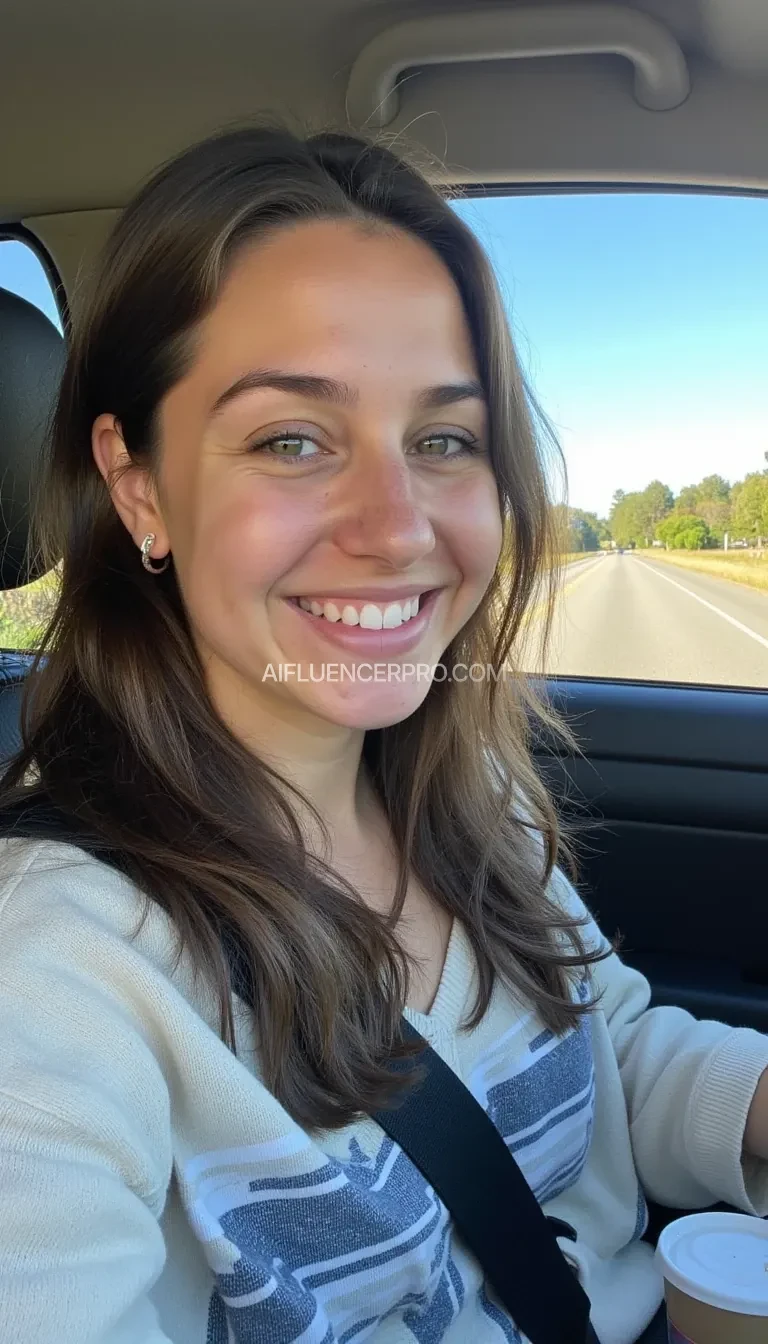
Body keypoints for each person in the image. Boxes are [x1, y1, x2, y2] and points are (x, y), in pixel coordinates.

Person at [0, 126, 766, 1344]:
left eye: (443, 439)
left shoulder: (467, 798)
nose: (396, 525)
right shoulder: (54, 973)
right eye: (291, 440)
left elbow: (602, 1046)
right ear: (140, 486)